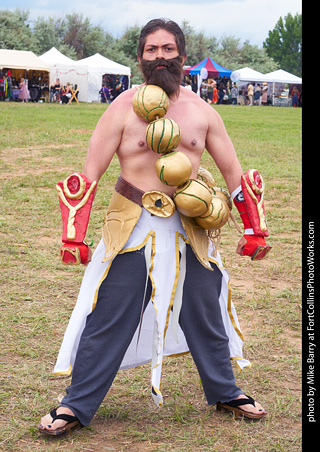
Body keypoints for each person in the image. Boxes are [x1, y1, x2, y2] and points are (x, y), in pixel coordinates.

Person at [39, 18, 270, 436]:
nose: (160, 56)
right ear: (141, 57)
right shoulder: (122, 106)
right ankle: (75, 405)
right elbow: (87, 175)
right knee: (111, 313)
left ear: (182, 55)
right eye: (151, 50)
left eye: (167, 49)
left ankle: (225, 390)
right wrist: (73, 234)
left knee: (206, 310)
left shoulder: (203, 113)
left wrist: (255, 229)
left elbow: (235, 176)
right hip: (132, 224)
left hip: (190, 227)